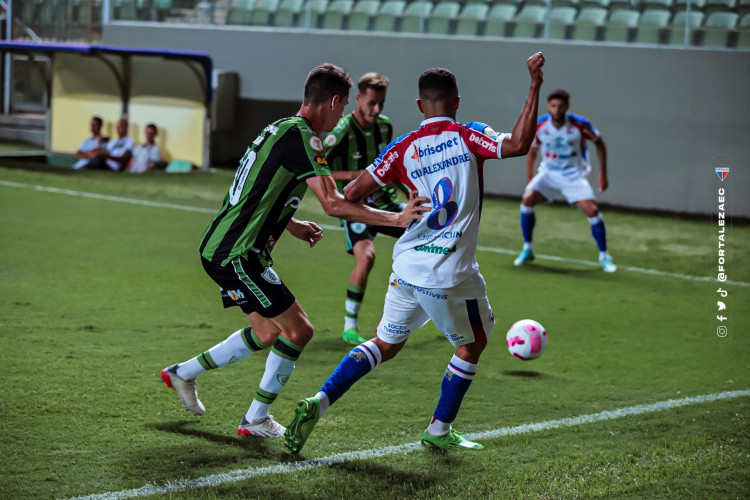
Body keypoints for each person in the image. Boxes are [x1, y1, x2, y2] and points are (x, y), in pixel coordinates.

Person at [284, 52, 546, 454]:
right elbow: (519, 143)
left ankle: (319, 400)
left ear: (420, 106)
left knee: (385, 344)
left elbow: (351, 194)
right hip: (450, 273)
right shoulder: (468, 134)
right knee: (473, 344)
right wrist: (533, 85)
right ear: (456, 102)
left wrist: (398, 214)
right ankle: (439, 428)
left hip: (406, 265)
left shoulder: (402, 147)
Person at [160, 63, 429, 438]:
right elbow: (333, 203)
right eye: (343, 105)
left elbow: (260, 188)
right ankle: (255, 418)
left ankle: (182, 373)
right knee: (299, 330)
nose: (341, 115)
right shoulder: (305, 137)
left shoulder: (280, 128)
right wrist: (397, 219)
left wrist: (292, 224)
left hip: (228, 248)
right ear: (335, 101)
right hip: (238, 254)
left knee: (268, 332)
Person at [324, 72, 407, 346]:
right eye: (371, 103)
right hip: (356, 206)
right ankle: (350, 326)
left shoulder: (385, 126)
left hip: (386, 202)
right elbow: (316, 166)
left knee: (432, 233)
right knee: (367, 257)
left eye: (381, 103)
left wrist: (410, 192)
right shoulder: (343, 130)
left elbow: (392, 166)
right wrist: (354, 176)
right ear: (358, 99)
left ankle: (428, 307)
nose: (377, 109)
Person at [513, 89, 616, 272]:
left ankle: (604, 256)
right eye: (553, 106)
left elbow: (599, 143)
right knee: (527, 200)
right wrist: (530, 176)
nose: (557, 110)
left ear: (567, 107)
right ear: (548, 106)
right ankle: (527, 248)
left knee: (592, 210)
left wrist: (603, 174)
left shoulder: (579, 125)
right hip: (548, 174)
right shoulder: (540, 124)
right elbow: (533, 150)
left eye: (561, 106)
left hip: (573, 175)